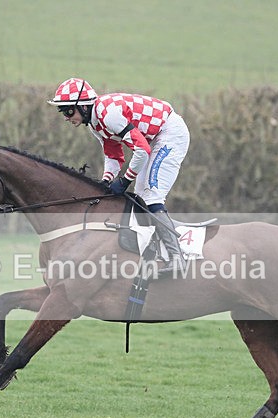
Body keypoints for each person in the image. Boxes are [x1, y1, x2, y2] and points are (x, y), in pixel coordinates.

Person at [47, 77, 190, 275]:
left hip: (169, 133)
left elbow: (142, 150)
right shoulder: (95, 124)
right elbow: (113, 156)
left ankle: (177, 257)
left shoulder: (109, 115)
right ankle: (154, 248)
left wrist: (124, 181)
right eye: (62, 111)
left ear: (84, 106)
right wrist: (106, 180)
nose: (65, 116)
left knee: (151, 195)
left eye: (68, 110)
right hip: (154, 138)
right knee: (141, 195)